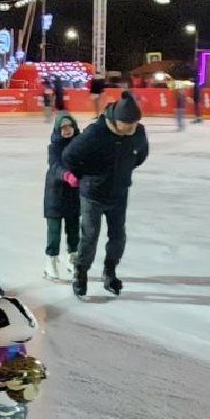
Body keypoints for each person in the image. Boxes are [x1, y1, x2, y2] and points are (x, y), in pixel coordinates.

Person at [62, 91, 149, 298]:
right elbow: (69, 156)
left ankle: (110, 272)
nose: (130, 130)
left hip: (119, 192)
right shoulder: (95, 133)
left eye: (133, 125)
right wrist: (89, 176)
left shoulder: (138, 132)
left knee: (118, 237)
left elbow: (141, 154)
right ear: (115, 120)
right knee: (90, 236)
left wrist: (124, 171)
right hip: (93, 194)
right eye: (126, 126)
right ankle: (80, 273)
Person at [43, 113, 81, 280]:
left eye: (69, 127)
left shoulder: (80, 145)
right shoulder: (54, 148)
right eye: (63, 128)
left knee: (73, 229)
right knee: (54, 231)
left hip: (74, 195)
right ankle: (50, 261)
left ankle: (72, 257)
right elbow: (55, 166)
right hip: (55, 194)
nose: (66, 130)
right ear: (58, 130)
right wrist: (66, 175)